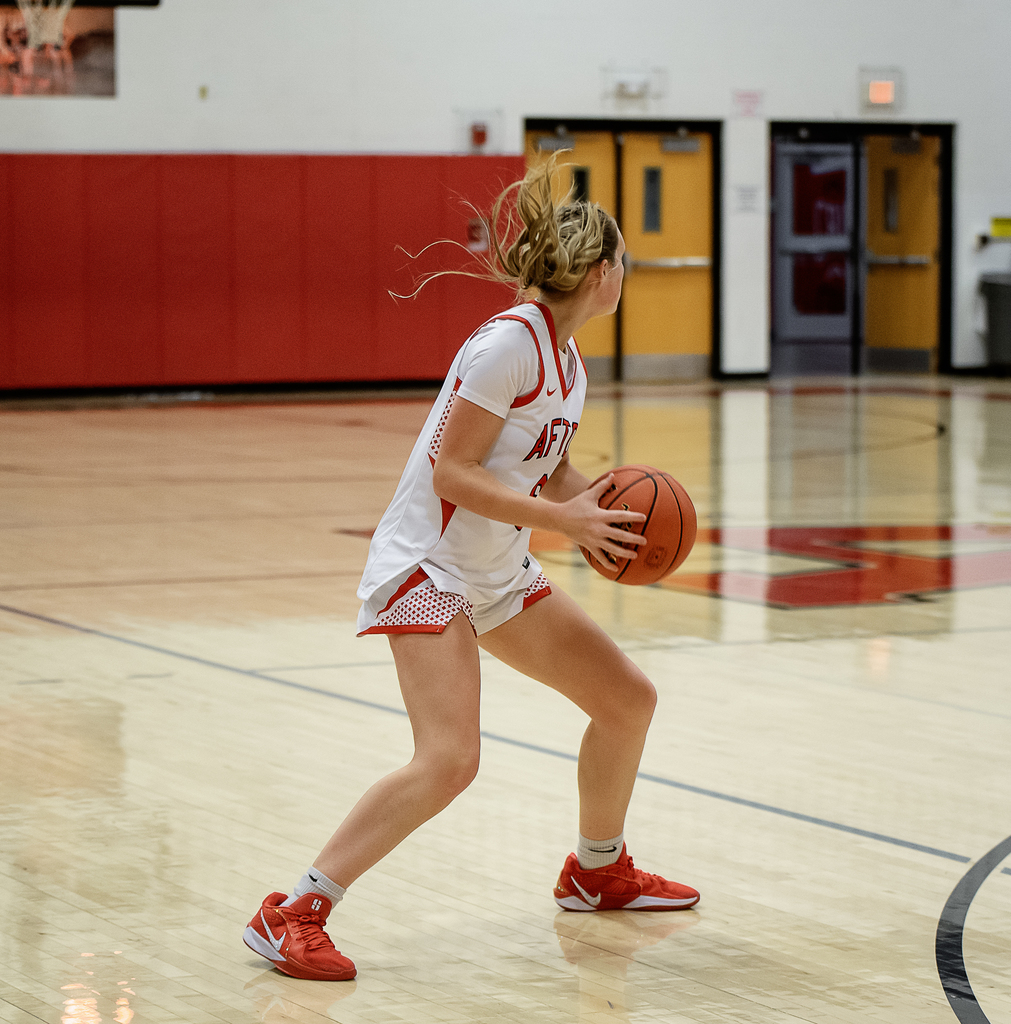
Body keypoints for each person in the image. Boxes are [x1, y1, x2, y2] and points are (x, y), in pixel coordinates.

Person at [243, 158, 700, 982]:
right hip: (426, 569)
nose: (624, 276)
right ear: (603, 273)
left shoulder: (566, 362)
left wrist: (597, 504)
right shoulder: (507, 344)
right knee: (450, 757)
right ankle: (293, 911)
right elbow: (452, 471)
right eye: (624, 264)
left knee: (626, 699)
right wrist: (563, 520)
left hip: (492, 571)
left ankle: (596, 871)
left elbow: (541, 468)